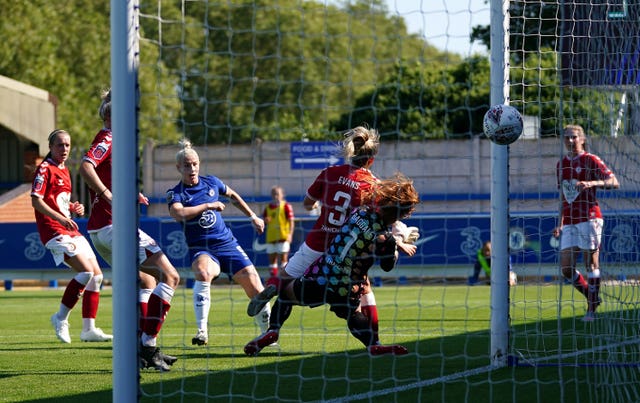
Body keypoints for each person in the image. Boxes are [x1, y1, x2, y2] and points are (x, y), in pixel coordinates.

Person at [248, 126, 417, 352]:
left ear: (350, 153)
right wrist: (399, 240)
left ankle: (272, 309)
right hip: (348, 248)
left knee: (285, 278)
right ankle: (374, 342)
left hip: (318, 239)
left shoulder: (330, 173)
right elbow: (381, 219)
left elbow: (308, 203)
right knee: (364, 290)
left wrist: (319, 205)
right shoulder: (373, 185)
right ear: (372, 159)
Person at [79, 88, 180, 371]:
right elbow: (86, 167)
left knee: (147, 282)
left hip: (101, 231)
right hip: (115, 227)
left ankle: (141, 346)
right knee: (170, 277)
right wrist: (108, 194)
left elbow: (108, 175)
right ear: (114, 114)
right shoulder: (107, 137)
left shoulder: (116, 140)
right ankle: (148, 347)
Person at [167, 139, 272, 347]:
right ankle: (202, 331)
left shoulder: (212, 182)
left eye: (195, 164)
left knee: (256, 287)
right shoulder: (176, 192)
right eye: (187, 165)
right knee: (203, 272)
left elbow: (232, 195)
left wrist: (252, 215)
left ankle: (267, 335)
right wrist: (209, 205)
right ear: (179, 168)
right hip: (202, 248)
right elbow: (178, 213)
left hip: (227, 244)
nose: (192, 168)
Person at [32, 129, 113, 344]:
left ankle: (89, 330)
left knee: (96, 276)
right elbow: (36, 201)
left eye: (67, 145)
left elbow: (57, 200)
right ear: (50, 147)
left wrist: (72, 207)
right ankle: (60, 318)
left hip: (70, 229)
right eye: (60, 145)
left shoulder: (64, 170)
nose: (64, 149)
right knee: (86, 272)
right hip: (53, 230)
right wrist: (60, 217)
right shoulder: (44, 169)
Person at [552, 124, 619, 321]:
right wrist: (560, 223)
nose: (570, 141)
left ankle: (591, 309)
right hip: (570, 220)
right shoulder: (560, 164)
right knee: (566, 268)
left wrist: (592, 183)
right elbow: (563, 196)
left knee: (591, 262)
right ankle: (593, 297)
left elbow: (614, 181)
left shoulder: (590, 160)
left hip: (590, 217)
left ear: (582, 139)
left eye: (574, 137)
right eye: (567, 137)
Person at [262, 185, 295, 283]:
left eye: (277, 194)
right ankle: (273, 280)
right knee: (272, 261)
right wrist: (265, 221)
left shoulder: (286, 206)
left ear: (282, 195)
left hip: (283, 237)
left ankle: (284, 280)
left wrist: (290, 234)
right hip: (271, 237)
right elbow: (264, 221)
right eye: (273, 194)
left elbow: (291, 221)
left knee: (284, 259)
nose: (275, 196)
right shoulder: (267, 207)